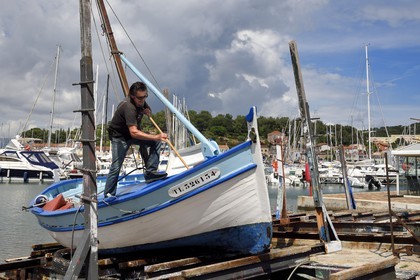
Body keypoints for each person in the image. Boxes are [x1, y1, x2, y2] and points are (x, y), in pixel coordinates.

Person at [104, 81, 168, 198]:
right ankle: (108, 194)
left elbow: (145, 106)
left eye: (145, 97)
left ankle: (151, 173)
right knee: (116, 166)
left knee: (156, 142)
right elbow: (133, 132)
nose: (142, 100)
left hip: (131, 134)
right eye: (140, 98)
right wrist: (156, 136)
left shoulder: (140, 100)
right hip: (120, 137)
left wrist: (148, 109)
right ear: (132, 96)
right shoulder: (129, 107)